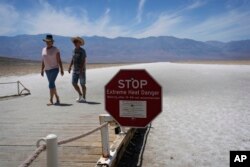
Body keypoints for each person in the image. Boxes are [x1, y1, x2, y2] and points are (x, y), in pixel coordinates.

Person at [41, 34, 64, 105]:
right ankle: (57, 97)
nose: (47, 43)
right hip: (47, 70)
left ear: (52, 42)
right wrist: (42, 69)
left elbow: (59, 60)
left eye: (49, 41)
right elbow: (43, 60)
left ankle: (51, 100)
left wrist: (62, 69)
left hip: (54, 69)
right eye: (46, 41)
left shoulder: (55, 49)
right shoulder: (43, 49)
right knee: (52, 85)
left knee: (50, 84)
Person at [68, 36, 87, 102]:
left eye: (76, 42)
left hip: (82, 70)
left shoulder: (82, 51)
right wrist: (70, 66)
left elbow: (84, 60)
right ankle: (80, 95)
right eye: (74, 42)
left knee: (82, 84)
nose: (75, 43)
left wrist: (81, 69)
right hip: (75, 70)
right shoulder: (74, 50)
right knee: (74, 83)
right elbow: (73, 59)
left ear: (80, 43)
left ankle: (84, 97)